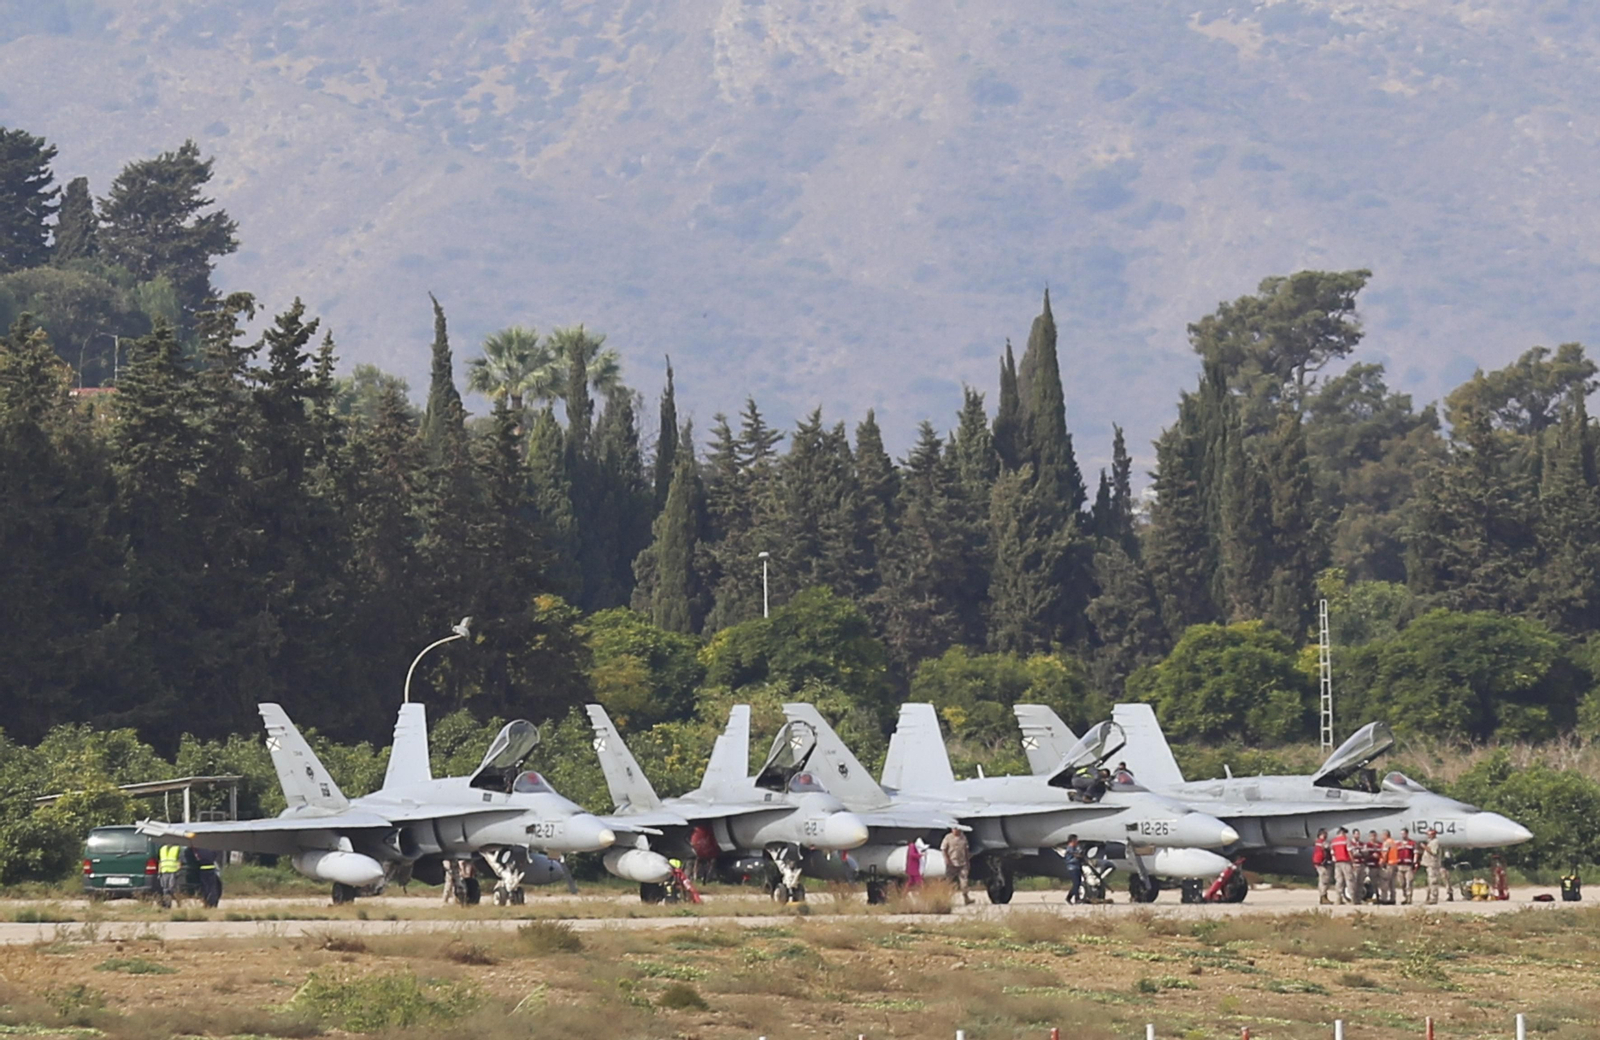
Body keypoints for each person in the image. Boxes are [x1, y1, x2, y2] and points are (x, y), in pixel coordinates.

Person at [940, 826, 973, 905]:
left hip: (962, 862)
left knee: (964, 882)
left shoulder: (963, 837)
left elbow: (966, 849)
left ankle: (966, 898)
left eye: (957, 829)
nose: (956, 830)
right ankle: (945, 899)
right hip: (952, 863)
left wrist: (967, 860)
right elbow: (943, 849)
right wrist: (947, 859)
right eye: (954, 829)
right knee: (949, 881)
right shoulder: (948, 837)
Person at [1420, 828, 1446, 905]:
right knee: (1429, 882)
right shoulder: (1430, 842)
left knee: (1433, 881)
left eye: (1429, 834)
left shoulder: (1435, 842)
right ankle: (1429, 897)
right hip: (1429, 864)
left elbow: (1433, 852)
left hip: (1433, 864)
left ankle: (1434, 897)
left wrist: (1424, 847)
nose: (1428, 836)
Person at [1331, 827, 1353, 905]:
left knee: (1339, 881)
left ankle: (1338, 899)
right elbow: (1349, 851)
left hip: (1337, 863)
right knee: (1349, 880)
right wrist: (1352, 861)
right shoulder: (1346, 840)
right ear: (1342, 832)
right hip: (1346, 862)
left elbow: (1332, 853)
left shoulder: (1333, 841)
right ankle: (1352, 899)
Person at [1394, 828, 1417, 905]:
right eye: (1402, 833)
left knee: (1409, 882)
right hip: (1400, 865)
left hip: (1408, 866)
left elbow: (1415, 853)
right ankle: (1404, 896)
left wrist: (1415, 862)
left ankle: (1409, 897)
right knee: (1402, 883)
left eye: (1404, 833)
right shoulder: (1398, 844)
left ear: (1407, 834)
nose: (1403, 835)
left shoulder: (1412, 843)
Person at [156, 843, 183, 909]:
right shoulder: (162, 848)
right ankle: (167, 905)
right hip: (164, 872)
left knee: (172, 889)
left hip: (173, 872)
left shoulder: (177, 848)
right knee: (165, 890)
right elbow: (160, 861)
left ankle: (179, 903)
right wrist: (159, 872)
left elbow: (180, 860)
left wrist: (178, 871)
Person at [1312, 829, 1334, 905]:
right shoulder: (1321, 842)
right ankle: (1323, 896)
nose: (1326, 835)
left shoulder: (1317, 842)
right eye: (1324, 834)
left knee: (1323, 880)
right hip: (1322, 864)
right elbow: (1328, 847)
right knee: (1324, 880)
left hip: (1320, 863)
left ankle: (1323, 896)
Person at [1062, 835, 1085, 904]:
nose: (1077, 842)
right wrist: (1078, 857)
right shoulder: (1070, 849)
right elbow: (1069, 860)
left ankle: (1074, 898)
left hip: (1077, 867)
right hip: (1072, 868)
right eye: (1075, 840)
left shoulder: (1075, 848)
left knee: (1078, 883)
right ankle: (1072, 898)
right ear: (1072, 841)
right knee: (1076, 884)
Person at [1378, 830, 1396, 905]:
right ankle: (1392, 899)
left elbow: (1385, 854)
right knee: (1392, 883)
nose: (1382, 837)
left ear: (1386, 835)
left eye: (1382, 835)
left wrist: (1381, 863)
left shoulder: (1386, 843)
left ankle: (1384, 899)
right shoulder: (1393, 842)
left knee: (1385, 882)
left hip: (1388, 864)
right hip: (1394, 864)